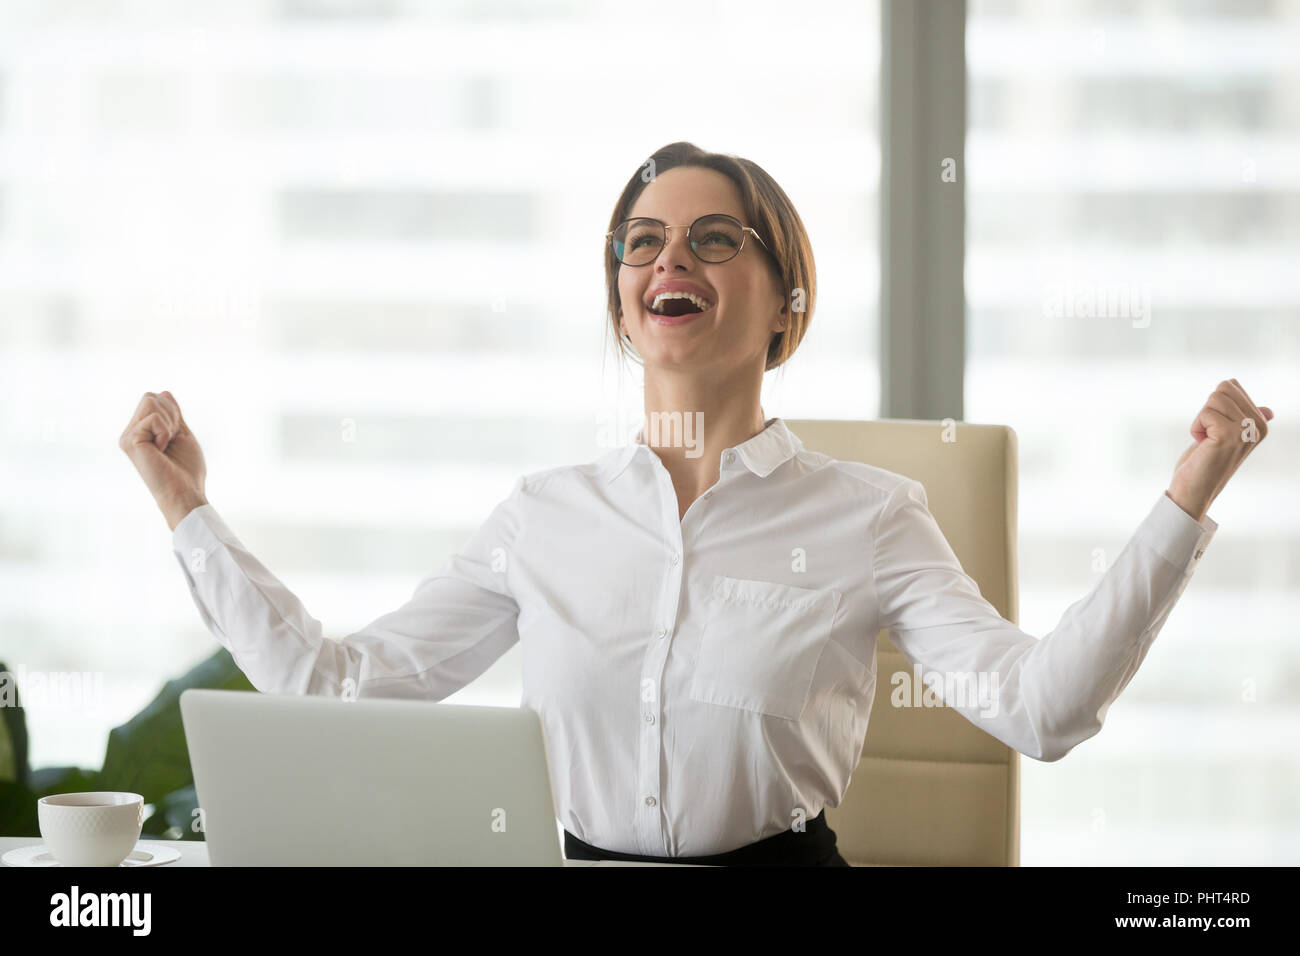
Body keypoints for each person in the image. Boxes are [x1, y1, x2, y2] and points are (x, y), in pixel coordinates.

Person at [120, 141, 1274, 867]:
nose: (671, 256)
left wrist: (1185, 498)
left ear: (785, 302)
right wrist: (187, 510)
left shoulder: (874, 515)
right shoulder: (542, 515)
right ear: (626, 307)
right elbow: (334, 686)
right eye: (643, 241)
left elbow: (1042, 708)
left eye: (717, 238)